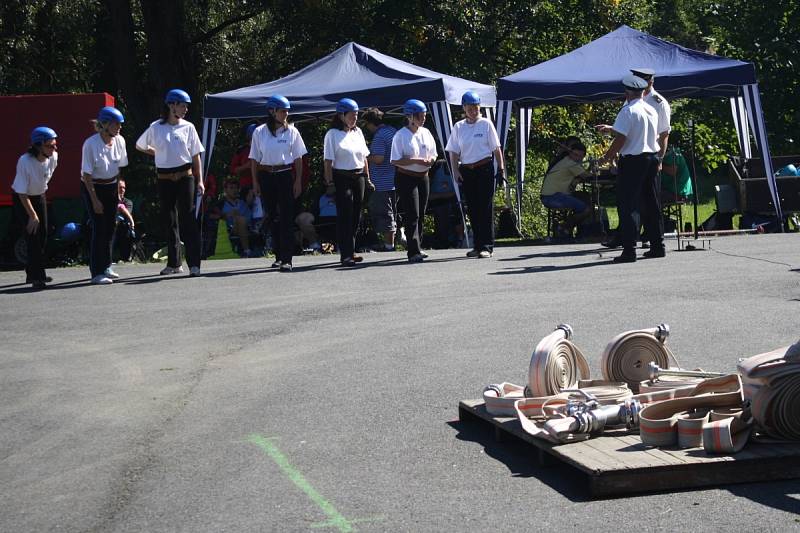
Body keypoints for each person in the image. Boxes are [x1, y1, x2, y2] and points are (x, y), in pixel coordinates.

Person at [136, 88, 205, 276]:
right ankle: (174, 264)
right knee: (169, 220)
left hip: (185, 176)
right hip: (164, 178)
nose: (185, 109)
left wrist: (200, 180)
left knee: (188, 219)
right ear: (171, 105)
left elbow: (196, 154)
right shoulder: (156, 127)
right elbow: (140, 145)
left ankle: (194, 265)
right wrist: (159, 152)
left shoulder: (188, 127)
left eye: (186, 106)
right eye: (182, 105)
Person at [596, 74, 661, 263]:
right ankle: (658, 245)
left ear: (627, 92)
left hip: (633, 160)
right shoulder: (650, 109)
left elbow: (622, 138)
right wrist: (611, 128)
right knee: (651, 203)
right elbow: (636, 131)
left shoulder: (627, 110)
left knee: (628, 205)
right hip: (651, 158)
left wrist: (606, 157)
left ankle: (629, 250)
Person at [249, 94, 307, 272]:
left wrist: (297, 180)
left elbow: (298, 158)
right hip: (266, 175)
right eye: (282, 111)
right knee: (272, 215)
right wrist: (255, 183)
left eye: (287, 111)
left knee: (286, 217)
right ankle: (277, 255)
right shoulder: (259, 132)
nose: (285, 114)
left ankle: (287, 259)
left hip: (284, 175)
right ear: (272, 111)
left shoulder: (292, 131)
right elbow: (254, 160)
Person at [446, 90, 505, 258]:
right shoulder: (459, 126)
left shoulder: (486, 124)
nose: (473, 111)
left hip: (484, 168)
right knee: (472, 208)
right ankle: (477, 245)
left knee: (485, 208)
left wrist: (500, 168)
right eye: (470, 108)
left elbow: (496, 148)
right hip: (467, 170)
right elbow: (453, 151)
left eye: (476, 107)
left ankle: (487, 245)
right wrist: (455, 170)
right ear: (464, 108)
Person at [81, 106, 128, 285]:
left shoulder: (120, 141)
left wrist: (116, 194)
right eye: (116, 124)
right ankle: (97, 272)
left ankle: (107, 265)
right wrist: (94, 201)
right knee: (99, 229)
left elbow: (118, 169)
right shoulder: (90, 144)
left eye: (120, 124)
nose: (119, 127)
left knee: (111, 227)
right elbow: (86, 175)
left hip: (111, 187)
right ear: (105, 124)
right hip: (93, 187)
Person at [323, 98, 371, 267]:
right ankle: (345, 254)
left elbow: (364, 157)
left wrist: (368, 177)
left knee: (357, 214)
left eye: (356, 115)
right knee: (345, 214)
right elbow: (328, 161)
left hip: (359, 176)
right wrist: (329, 182)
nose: (354, 118)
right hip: (341, 177)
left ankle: (351, 250)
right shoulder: (332, 134)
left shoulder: (358, 132)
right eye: (351, 115)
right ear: (342, 115)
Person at [390, 99, 437, 263]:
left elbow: (434, 153)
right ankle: (413, 250)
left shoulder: (426, 133)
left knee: (422, 213)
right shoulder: (400, 135)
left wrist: (431, 160)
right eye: (419, 116)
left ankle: (419, 246)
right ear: (410, 116)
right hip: (406, 177)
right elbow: (395, 160)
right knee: (413, 214)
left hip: (423, 176)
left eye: (424, 115)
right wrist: (416, 161)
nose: (423, 119)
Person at [11, 126, 59, 289]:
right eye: (50, 145)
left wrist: (39, 200)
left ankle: (33, 272)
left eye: (55, 145)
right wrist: (32, 215)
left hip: (39, 196)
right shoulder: (24, 161)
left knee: (43, 234)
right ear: (38, 145)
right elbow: (22, 193)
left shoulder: (53, 157)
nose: (54, 148)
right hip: (22, 198)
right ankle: (37, 278)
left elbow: (45, 178)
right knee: (33, 236)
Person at [362, 108, 398, 251]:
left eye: (366, 124)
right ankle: (392, 243)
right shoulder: (392, 131)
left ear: (371, 123)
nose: (366, 127)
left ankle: (389, 245)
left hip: (381, 182)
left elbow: (378, 158)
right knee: (392, 213)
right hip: (394, 179)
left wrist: (363, 156)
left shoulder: (379, 136)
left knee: (385, 214)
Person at [540, 140, 593, 237]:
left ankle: (578, 229)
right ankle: (563, 227)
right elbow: (587, 176)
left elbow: (580, 175)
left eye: (580, 156)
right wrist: (593, 167)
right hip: (552, 197)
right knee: (586, 210)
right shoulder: (571, 163)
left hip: (551, 195)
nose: (577, 158)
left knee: (584, 196)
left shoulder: (565, 160)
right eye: (575, 155)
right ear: (570, 153)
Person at [219, 177, 254, 257]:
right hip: (228, 229)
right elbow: (212, 215)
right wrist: (225, 215)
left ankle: (246, 250)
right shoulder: (221, 203)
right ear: (225, 190)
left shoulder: (242, 203)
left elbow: (249, 218)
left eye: (236, 188)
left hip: (244, 227)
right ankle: (247, 250)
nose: (234, 190)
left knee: (240, 219)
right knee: (239, 219)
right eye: (231, 188)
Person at [660, 132, 693, 203]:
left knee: (648, 195)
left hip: (677, 192)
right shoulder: (670, 152)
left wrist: (657, 164)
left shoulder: (673, 153)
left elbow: (672, 171)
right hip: (671, 190)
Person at [229, 123, 257, 205]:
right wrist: (246, 166)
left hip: (262, 185)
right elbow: (233, 169)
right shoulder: (241, 150)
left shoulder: (265, 149)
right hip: (245, 186)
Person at [112, 179, 135, 262]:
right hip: (110, 225)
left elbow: (125, 214)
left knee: (120, 220)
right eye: (120, 187)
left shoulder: (128, 202)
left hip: (122, 227)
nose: (122, 190)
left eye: (124, 187)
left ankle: (124, 256)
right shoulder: (110, 200)